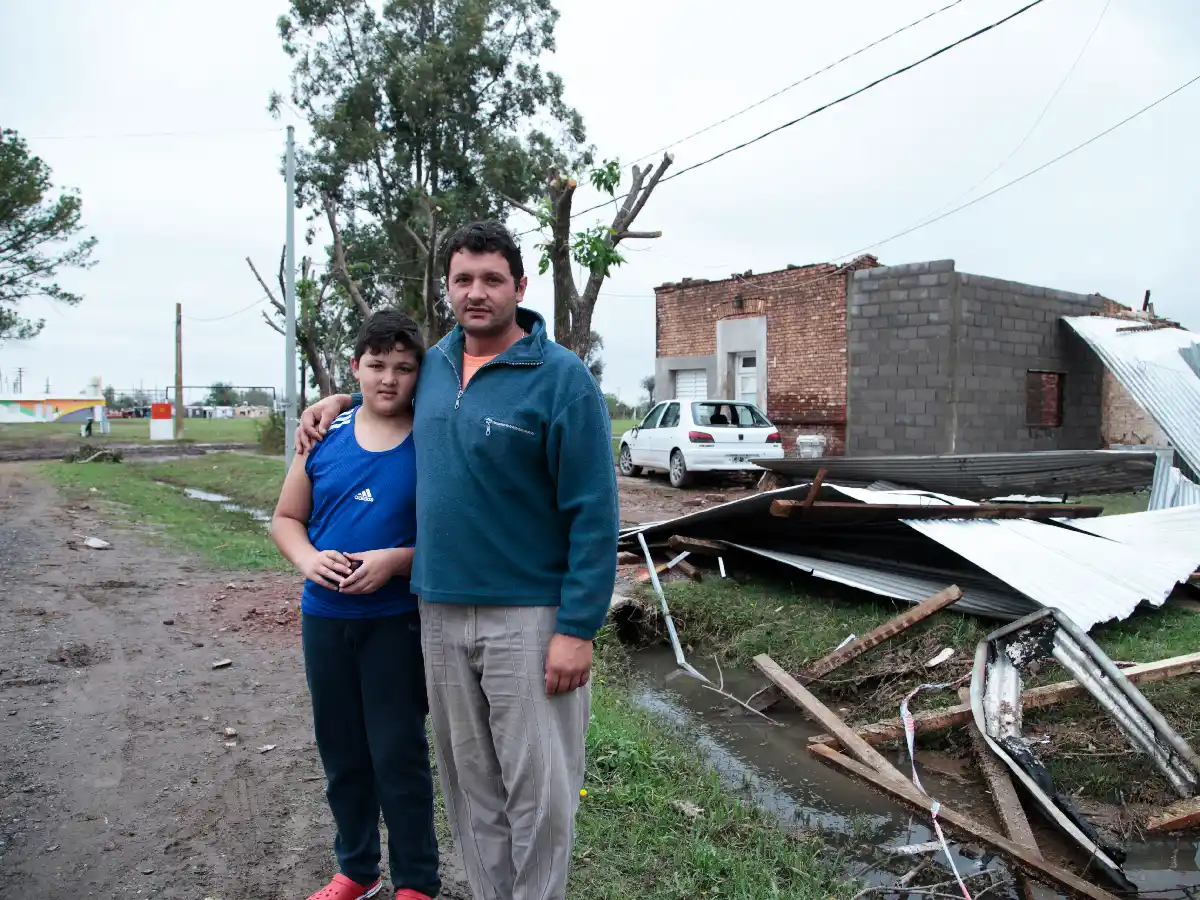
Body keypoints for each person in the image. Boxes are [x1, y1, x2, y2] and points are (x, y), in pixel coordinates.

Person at [297, 220, 619, 900]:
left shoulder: (561, 380)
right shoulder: (436, 366)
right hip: (438, 615)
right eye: (463, 280)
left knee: (540, 791)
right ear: (447, 288)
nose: (477, 293)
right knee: (472, 787)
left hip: (528, 617)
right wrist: (334, 403)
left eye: (492, 279)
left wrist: (577, 628)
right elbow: (382, 393)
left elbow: (594, 512)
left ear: (519, 287)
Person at [272, 310, 440, 900]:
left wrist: (396, 561)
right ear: (355, 368)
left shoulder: (433, 438)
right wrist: (307, 560)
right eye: (375, 366)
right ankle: (358, 869)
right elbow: (287, 519)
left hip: (395, 623)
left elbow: (453, 539)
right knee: (342, 751)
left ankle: (416, 881)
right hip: (326, 622)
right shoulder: (323, 435)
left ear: (420, 374)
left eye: (403, 367)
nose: (388, 379)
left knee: (398, 754)